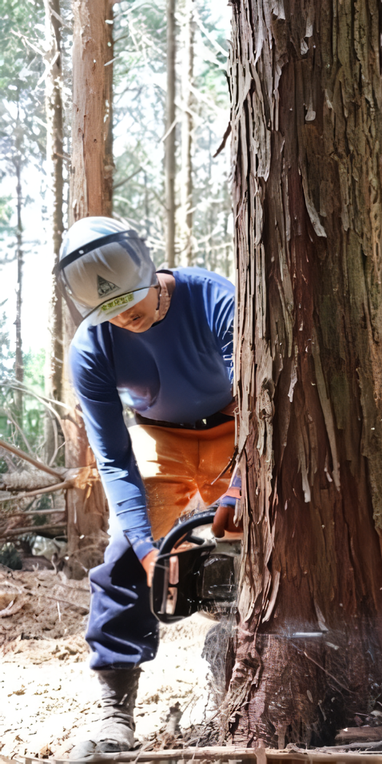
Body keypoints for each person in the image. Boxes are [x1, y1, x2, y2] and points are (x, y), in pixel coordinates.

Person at [55, 217, 240, 758]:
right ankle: (115, 708)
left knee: (263, 532)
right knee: (121, 561)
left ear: (149, 270)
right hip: (163, 439)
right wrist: (144, 544)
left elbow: (263, 408)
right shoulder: (91, 348)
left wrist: (241, 490)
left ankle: (256, 651)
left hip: (240, 430)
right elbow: (113, 458)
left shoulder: (215, 300)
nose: (126, 318)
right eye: (110, 311)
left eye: (133, 301)